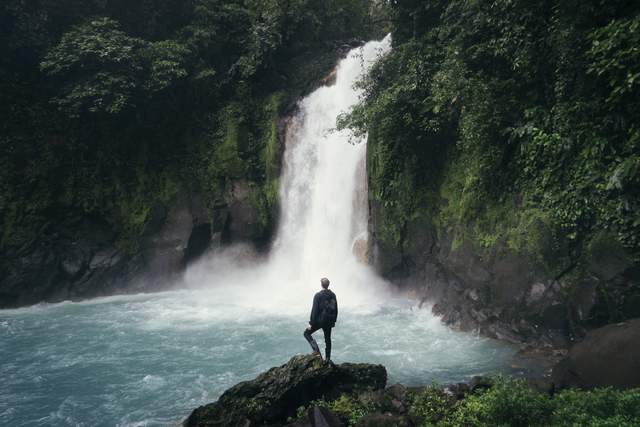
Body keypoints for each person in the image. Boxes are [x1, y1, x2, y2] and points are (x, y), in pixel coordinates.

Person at [304, 277, 338, 362]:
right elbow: (336, 309)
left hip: (320, 321)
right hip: (329, 320)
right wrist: (334, 321)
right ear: (328, 284)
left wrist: (311, 324)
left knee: (306, 333)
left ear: (321, 284)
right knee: (328, 339)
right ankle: (327, 359)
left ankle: (317, 352)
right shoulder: (333, 295)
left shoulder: (318, 295)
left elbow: (314, 311)